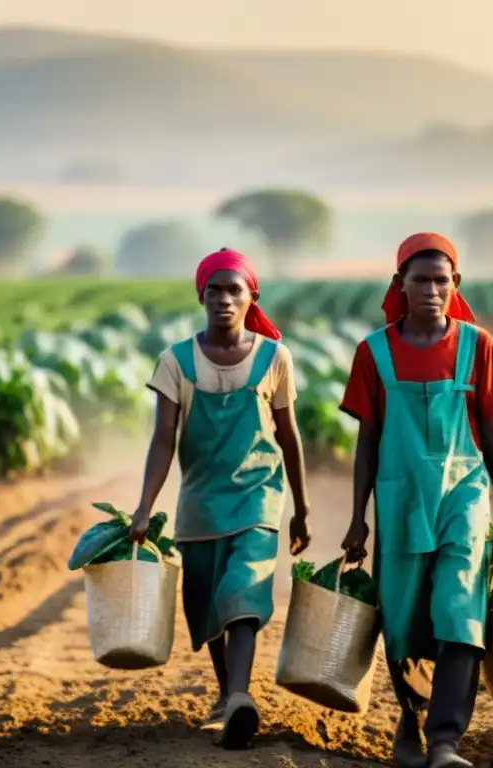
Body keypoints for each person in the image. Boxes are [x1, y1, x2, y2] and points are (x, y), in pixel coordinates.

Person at [339, 233, 493, 768]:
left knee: (460, 610)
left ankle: (445, 740)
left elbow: (492, 430)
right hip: (398, 500)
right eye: (421, 279)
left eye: (442, 279)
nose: (432, 289)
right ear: (401, 285)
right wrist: (356, 519)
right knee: (403, 617)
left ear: (455, 283)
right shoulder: (373, 351)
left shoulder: (476, 344)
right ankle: (410, 720)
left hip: (462, 496)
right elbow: (368, 437)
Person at [129, 248, 311, 749]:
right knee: (207, 605)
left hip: (258, 495)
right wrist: (144, 505)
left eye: (235, 291)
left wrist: (301, 505)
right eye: (215, 291)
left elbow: (289, 435)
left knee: (243, 592)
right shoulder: (175, 361)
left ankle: (238, 696)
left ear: (252, 297)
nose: (225, 300)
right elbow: (163, 439)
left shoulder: (275, 357)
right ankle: (226, 694)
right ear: (201, 297)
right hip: (201, 501)